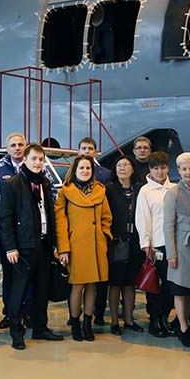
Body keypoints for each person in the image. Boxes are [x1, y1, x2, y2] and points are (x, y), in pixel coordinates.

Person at [0, 144, 64, 349]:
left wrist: (54, 244)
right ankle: (16, 332)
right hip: (22, 247)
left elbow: (49, 215)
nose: (37, 162)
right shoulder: (11, 184)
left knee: (42, 290)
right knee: (19, 291)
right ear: (25, 160)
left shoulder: (45, 183)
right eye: (34, 158)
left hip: (43, 245)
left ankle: (40, 327)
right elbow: (5, 219)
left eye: (41, 159)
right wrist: (11, 247)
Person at [56, 155, 113, 342]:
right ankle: (75, 323)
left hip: (96, 245)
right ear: (75, 170)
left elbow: (106, 217)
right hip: (75, 246)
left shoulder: (100, 191)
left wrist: (105, 235)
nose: (85, 171)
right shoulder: (65, 192)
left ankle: (87, 324)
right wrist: (63, 248)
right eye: (81, 168)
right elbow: (60, 222)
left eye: (88, 168)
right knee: (77, 286)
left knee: (92, 286)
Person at [0, 132, 27, 330]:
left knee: (29, 275)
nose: (17, 148)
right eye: (13, 145)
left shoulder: (36, 166)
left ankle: (27, 313)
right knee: (9, 275)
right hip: (7, 233)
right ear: (7, 148)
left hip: (30, 234)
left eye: (20, 144)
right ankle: (10, 314)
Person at [164, 152, 190, 347]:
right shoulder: (173, 193)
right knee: (180, 291)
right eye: (184, 169)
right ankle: (183, 328)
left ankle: (186, 323)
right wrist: (171, 254)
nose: (188, 172)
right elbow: (168, 225)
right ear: (178, 171)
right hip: (181, 247)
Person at [135, 151, 176, 338]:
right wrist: (146, 245)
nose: (160, 172)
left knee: (170, 286)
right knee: (155, 286)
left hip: (174, 245)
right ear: (150, 169)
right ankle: (154, 321)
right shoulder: (145, 191)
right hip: (156, 245)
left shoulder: (174, 188)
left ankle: (164, 318)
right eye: (156, 168)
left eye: (163, 167)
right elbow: (142, 219)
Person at [105, 155, 145, 335]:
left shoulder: (140, 188)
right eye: (119, 165)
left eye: (126, 164)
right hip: (116, 241)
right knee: (115, 283)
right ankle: (114, 322)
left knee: (130, 283)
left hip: (135, 241)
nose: (122, 168)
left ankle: (129, 320)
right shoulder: (109, 189)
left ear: (132, 168)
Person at [77, 137, 112, 325]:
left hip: (97, 240)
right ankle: (75, 317)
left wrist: (105, 234)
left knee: (98, 282)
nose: (87, 151)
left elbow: (107, 212)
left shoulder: (105, 174)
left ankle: (96, 315)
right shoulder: (70, 180)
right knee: (77, 284)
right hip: (78, 241)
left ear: (96, 152)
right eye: (83, 148)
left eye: (90, 148)